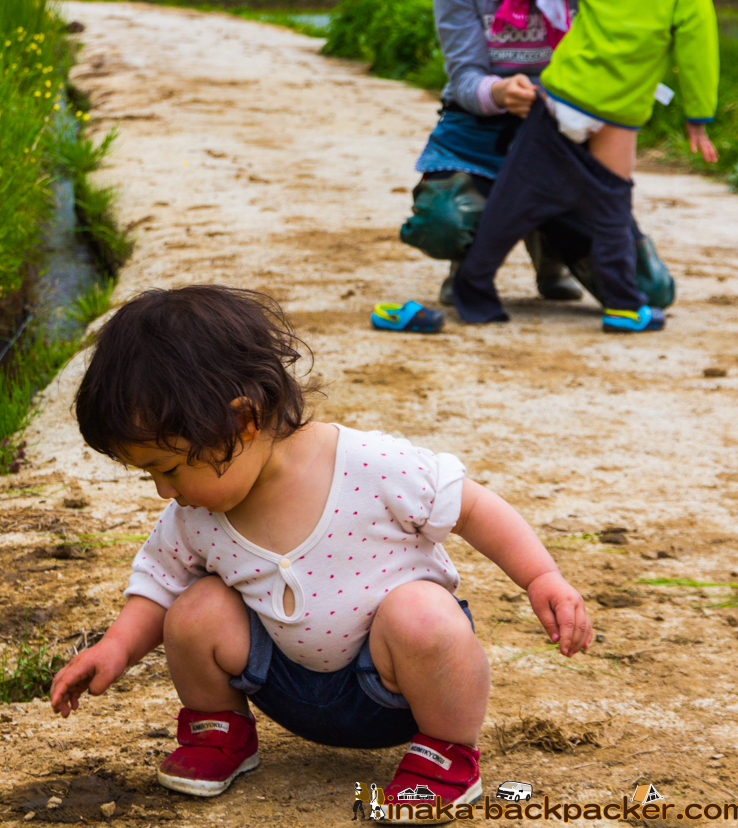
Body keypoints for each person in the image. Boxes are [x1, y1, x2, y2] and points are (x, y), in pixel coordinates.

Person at [50, 285, 592, 811]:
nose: (164, 490)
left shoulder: (374, 466)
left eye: (168, 468)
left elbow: (472, 507)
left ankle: (449, 751)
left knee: (422, 614)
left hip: (393, 688)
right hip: (282, 683)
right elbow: (157, 585)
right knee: (194, 610)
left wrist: (540, 577)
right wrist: (115, 648)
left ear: (241, 422)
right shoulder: (195, 515)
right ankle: (221, 733)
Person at [401, 0, 674, 312]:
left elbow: (627, 53)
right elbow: (464, 77)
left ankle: (552, 252)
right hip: (486, 134)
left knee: (649, 291)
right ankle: (467, 263)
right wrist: (501, 91)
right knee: (443, 219)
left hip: (569, 135)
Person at [452, 0, 719, 333]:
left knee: (512, 202)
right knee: (613, 209)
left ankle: (475, 291)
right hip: (618, 115)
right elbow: (700, 62)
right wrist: (697, 121)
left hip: (559, 99)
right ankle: (621, 304)